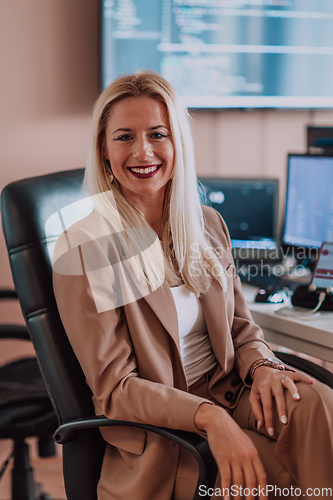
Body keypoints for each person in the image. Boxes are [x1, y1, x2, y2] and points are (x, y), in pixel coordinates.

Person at [53, 71, 333, 500]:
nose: (142, 151)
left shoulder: (206, 223)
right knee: (278, 475)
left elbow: (242, 328)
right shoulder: (86, 246)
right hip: (164, 428)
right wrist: (209, 418)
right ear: (104, 150)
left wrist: (261, 367)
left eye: (157, 134)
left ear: (177, 144)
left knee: (319, 406)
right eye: (124, 137)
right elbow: (116, 389)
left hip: (228, 389)